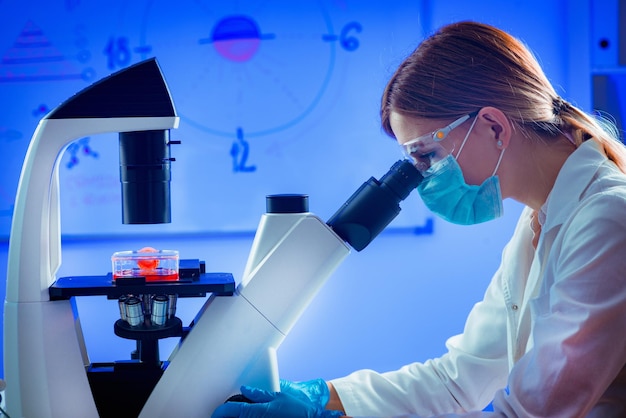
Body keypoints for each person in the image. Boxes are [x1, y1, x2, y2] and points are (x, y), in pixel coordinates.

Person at [212, 20, 626, 417]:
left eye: (426, 155)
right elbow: (459, 379)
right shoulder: (542, 219)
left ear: (495, 128)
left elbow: (532, 415)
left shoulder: (606, 219)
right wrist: (326, 396)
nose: (422, 176)